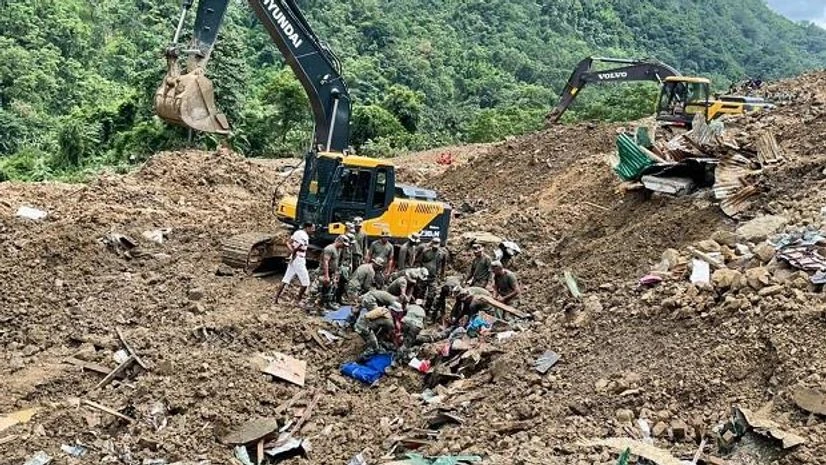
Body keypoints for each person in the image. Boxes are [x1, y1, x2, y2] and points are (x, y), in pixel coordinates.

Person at [275, 222, 315, 304]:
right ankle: (298, 300)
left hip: (293, 258)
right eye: (312, 228)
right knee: (306, 282)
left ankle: (276, 299)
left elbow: (288, 242)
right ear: (307, 228)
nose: (313, 230)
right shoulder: (304, 236)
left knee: (286, 279)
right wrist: (293, 252)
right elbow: (298, 247)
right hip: (299, 259)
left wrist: (291, 252)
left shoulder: (297, 232)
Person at [309, 235, 350, 310]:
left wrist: (335, 274)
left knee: (328, 290)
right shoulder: (329, 249)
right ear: (339, 241)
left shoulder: (339, 249)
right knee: (316, 290)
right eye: (343, 244)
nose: (344, 246)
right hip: (323, 272)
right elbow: (326, 262)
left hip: (331, 272)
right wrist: (326, 275)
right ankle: (311, 306)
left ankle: (324, 304)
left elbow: (336, 262)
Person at [415, 237, 448, 318]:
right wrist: (419, 272)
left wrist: (441, 276)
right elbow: (419, 262)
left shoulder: (442, 254)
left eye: (437, 245)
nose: (435, 247)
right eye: (434, 244)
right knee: (420, 294)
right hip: (423, 277)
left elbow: (443, 266)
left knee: (431, 296)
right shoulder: (425, 251)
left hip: (433, 278)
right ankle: (418, 309)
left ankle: (426, 311)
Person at [334, 232, 356, 304]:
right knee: (337, 285)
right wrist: (338, 270)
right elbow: (338, 259)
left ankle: (339, 299)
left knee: (343, 285)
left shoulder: (349, 247)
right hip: (342, 268)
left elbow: (350, 258)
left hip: (347, 268)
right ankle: (334, 300)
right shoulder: (341, 248)